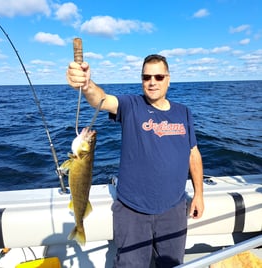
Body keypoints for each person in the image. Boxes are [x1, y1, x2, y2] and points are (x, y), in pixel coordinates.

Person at [66, 54, 204, 267]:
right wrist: (86, 84)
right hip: (132, 211)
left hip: (174, 209)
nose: (152, 82)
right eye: (146, 77)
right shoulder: (131, 105)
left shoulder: (183, 112)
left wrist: (199, 194)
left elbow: (193, 153)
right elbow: (101, 99)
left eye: (158, 77)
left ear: (168, 78)